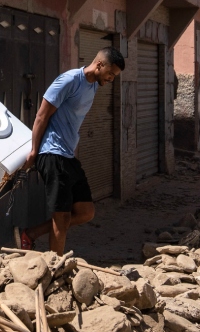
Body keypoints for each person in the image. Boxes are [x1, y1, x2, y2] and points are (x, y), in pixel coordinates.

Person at [14, 46, 125, 253]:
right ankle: (56, 269)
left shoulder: (93, 86)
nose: (111, 79)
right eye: (110, 73)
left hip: (67, 155)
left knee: (86, 211)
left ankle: (30, 234)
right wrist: (33, 151)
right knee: (61, 217)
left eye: (114, 76)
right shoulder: (69, 80)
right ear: (99, 64)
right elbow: (41, 116)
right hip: (52, 153)